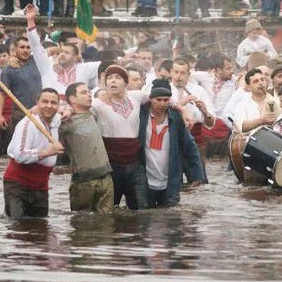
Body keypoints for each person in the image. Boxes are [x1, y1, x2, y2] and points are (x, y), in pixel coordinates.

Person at [137, 79, 204, 209]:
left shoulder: (175, 118)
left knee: (171, 219)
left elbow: (189, 146)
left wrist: (196, 175)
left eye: (166, 100)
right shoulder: (140, 114)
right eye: (159, 100)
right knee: (144, 217)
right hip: (145, 179)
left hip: (170, 179)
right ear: (151, 99)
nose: (162, 104)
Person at [91, 65, 149, 210]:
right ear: (105, 83)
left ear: (126, 82)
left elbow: (157, 98)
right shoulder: (98, 104)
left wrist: (181, 108)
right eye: (109, 78)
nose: (113, 81)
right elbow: (78, 109)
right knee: (109, 210)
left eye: (118, 78)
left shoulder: (135, 97)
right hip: (111, 167)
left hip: (135, 165)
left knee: (142, 209)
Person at [3, 88, 65, 218]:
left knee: (40, 227)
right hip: (18, 184)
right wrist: (47, 152)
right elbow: (19, 155)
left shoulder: (57, 121)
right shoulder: (28, 123)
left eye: (53, 103)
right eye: (45, 102)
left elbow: (69, 108)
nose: (49, 106)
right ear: (37, 103)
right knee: (17, 226)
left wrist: (68, 111)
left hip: (41, 186)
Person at [60, 83, 113, 213]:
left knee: (106, 224)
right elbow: (46, 113)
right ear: (72, 98)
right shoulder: (66, 122)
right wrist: (64, 109)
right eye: (83, 93)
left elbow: (106, 96)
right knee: (82, 224)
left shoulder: (93, 112)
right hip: (83, 181)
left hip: (105, 177)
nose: (89, 94)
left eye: (89, 92)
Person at [168, 58, 215, 183]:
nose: (178, 76)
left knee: (199, 181)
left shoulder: (199, 91)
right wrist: (181, 103)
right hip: (172, 139)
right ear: (171, 72)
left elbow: (210, 123)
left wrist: (205, 112)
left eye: (182, 73)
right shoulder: (165, 89)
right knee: (175, 182)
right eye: (176, 72)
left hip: (196, 139)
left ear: (189, 75)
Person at [0, 36, 42, 137]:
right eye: (22, 47)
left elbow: (54, 49)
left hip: (41, 112)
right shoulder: (9, 68)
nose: (25, 50)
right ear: (15, 49)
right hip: (20, 113)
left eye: (28, 47)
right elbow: (1, 93)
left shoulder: (38, 61)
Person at [233, 68, 281, 133]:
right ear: (248, 87)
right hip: (248, 141)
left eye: (262, 79)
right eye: (256, 81)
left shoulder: (276, 102)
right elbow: (239, 126)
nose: (261, 83)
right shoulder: (242, 104)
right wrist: (261, 121)